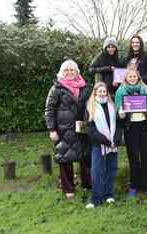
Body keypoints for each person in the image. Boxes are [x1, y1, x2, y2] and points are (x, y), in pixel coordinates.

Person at [45, 59, 91, 199]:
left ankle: (87, 184)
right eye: (66, 70)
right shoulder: (56, 89)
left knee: (85, 156)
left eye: (72, 70)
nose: (69, 72)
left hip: (82, 126)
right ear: (62, 73)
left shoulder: (86, 87)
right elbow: (49, 109)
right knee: (65, 158)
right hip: (63, 129)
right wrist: (51, 129)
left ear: (77, 72)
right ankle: (68, 188)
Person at [115, 66, 147, 198]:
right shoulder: (121, 91)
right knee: (133, 157)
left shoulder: (145, 89)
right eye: (130, 77)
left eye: (134, 76)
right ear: (126, 78)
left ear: (138, 77)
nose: (132, 79)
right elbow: (118, 113)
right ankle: (133, 186)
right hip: (130, 127)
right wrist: (121, 113)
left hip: (144, 126)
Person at [85, 82, 119, 208]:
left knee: (111, 169)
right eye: (100, 91)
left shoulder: (112, 105)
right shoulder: (90, 107)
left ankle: (108, 194)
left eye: (104, 91)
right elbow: (90, 128)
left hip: (112, 143)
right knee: (97, 171)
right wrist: (105, 140)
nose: (102, 93)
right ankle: (96, 198)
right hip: (98, 144)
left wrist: (115, 138)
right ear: (95, 92)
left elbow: (119, 124)